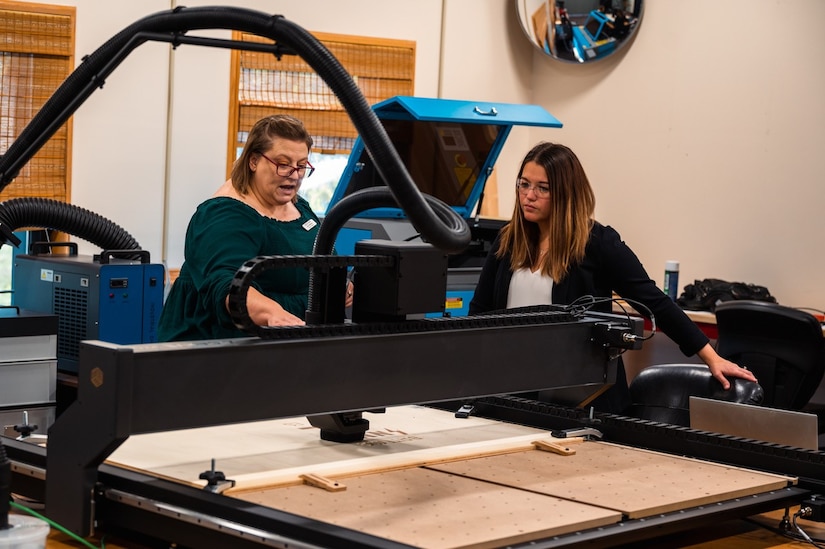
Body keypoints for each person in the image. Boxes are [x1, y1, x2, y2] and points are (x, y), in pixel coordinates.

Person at [469, 142, 756, 413]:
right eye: (524, 184)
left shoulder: (597, 243)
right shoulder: (508, 241)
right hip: (513, 390)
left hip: (581, 397)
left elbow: (654, 302)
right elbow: (479, 315)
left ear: (567, 193)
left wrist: (711, 357)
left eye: (543, 188)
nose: (529, 196)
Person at [158, 114, 352, 341]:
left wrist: (341, 286)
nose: (294, 175)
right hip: (215, 347)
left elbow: (323, 260)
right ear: (253, 161)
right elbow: (227, 286)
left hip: (291, 340)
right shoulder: (224, 214)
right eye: (282, 164)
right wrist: (273, 314)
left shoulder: (300, 207)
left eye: (301, 166)